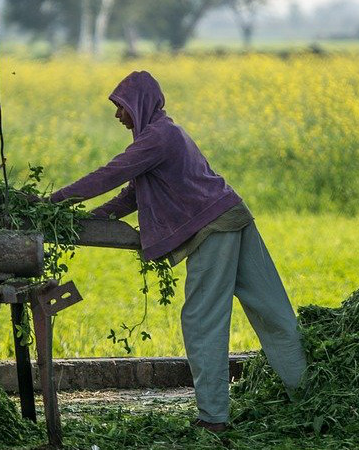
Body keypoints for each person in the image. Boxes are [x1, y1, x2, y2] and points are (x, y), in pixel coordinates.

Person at [44, 71, 306, 432]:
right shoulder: (164, 135)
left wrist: (52, 204)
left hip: (215, 228)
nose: (118, 116)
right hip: (234, 215)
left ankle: (214, 418)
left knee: (202, 319)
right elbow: (130, 196)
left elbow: (109, 175)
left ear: (140, 104)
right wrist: (83, 221)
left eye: (121, 107)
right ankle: (306, 394)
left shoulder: (158, 137)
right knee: (272, 310)